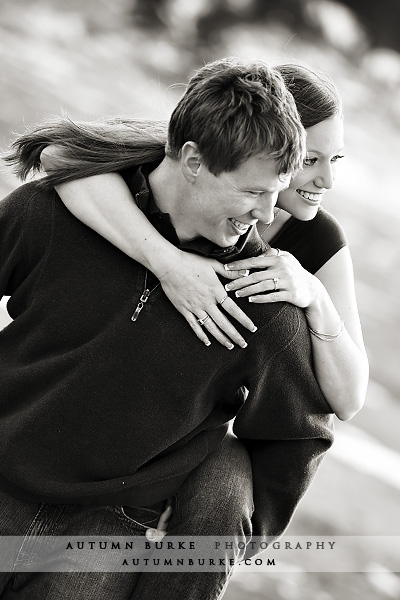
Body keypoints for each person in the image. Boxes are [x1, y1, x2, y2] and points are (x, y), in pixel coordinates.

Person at [1, 57, 334, 600]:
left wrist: (228, 543)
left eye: (276, 191)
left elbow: (299, 434)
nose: (267, 213)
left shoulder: (261, 302)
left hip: (109, 529)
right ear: (193, 160)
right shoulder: (53, 214)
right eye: (251, 192)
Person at [36, 64, 368, 421]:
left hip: (210, 418)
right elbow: (58, 154)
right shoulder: (179, 161)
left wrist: (316, 297)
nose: (328, 181)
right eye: (310, 160)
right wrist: (170, 264)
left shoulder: (318, 235)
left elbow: (349, 401)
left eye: (335, 159)